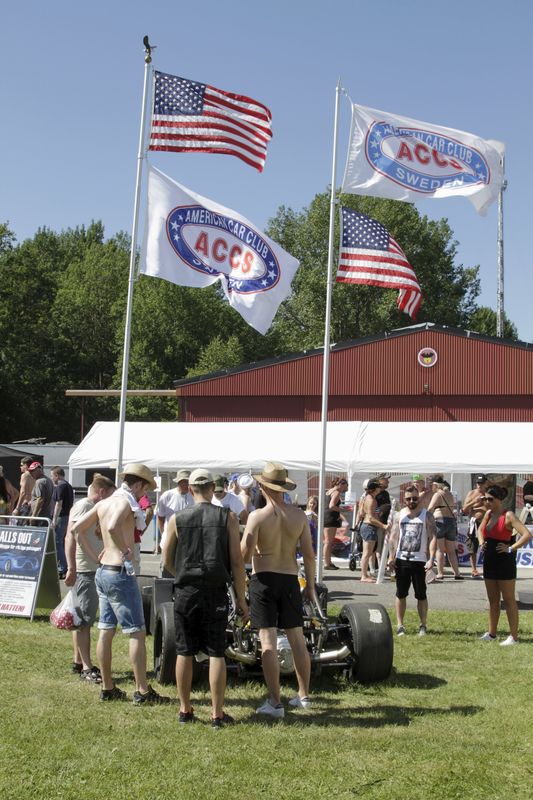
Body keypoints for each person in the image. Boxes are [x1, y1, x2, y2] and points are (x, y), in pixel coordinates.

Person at [71, 462, 170, 704]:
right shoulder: (124, 501)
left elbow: (76, 529)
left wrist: (97, 555)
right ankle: (142, 691)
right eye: (144, 489)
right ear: (137, 484)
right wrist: (125, 550)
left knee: (106, 629)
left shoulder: (104, 502)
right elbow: (114, 525)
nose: (144, 494)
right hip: (119, 572)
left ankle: (107, 687)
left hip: (104, 571)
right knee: (136, 632)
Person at [162, 468, 248, 728]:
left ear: (190, 489)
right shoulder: (228, 517)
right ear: (212, 489)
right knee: (216, 652)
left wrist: (182, 574)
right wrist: (242, 599)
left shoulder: (177, 518)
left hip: (186, 590)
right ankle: (217, 713)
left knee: (184, 650)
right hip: (215, 590)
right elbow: (237, 562)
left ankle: (185, 709)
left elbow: (167, 559)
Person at [241, 462, 317, 719]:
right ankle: (303, 695)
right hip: (290, 579)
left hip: (264, 579)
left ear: (262, 486)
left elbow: (244, 554)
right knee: (297, 638)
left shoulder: (257, 516)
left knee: (267, 641)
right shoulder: (299, 516)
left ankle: (275, 701)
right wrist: (312, 587)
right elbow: (308, 555)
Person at [64, 473, 116, 681]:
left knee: (82, 618)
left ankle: (78, 660)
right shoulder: (85, 506)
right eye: (109, 496)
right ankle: (87, 667)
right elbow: (72, 535)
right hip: (87, 570)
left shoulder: (86, 506)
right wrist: (73, 567)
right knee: (84, 621)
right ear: (101, 492)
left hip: (88, 569)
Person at [477, 485, 532, 645]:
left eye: (490, 499)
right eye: (485, 499)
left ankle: (513, 637)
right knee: (493, 599)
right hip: (489, 560)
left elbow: (527, 535)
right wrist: (481, 542)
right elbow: (480, 530)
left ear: (499, 500)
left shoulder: (508, 516)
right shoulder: (488, 514)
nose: (486, 502)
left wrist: (510, 548)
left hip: (504, 562)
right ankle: (492, 633)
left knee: (509, 600)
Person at [387, 485, 437, 636]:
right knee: (400, 593)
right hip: (402, 559)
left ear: (419, 498)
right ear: (404, 499)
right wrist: (391, 557)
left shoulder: (426, 515)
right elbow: (394, 537)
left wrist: (431, 559)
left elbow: (433, 537)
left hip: (420, 560)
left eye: (415, 498)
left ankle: (423, 625)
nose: (412, 501)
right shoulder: (399, 515)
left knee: (421, 594)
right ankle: (400, 625)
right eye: (408, 499)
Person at [427, 476, 463, 581]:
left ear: (436, 485)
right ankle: (457, 573)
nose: (431, 487)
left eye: (432, 485)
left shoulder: (437, 495)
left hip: (440, 521)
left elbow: (430, 508)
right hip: (451, 521)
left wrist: (428, 521)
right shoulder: (449, 494)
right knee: (451, 550)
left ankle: (440, 573)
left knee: (440, 549)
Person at [156, 469, 193, 553]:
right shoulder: (167, 495)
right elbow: (160, 516)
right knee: (166, 564)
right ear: (178, 482)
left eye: (186, 481)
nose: (184, 484)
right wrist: (164, 533)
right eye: (182, 481)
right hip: (169, 538)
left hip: (189, 540)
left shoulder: (194, 495)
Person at [360, 479, 389, 583]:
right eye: (378, 487)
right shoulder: (371, 500)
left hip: (367, 526)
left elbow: (362, 513)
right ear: (374, 489)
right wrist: (383, 525)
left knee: (368, 553)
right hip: (369, 527)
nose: (380, 488)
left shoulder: (368, 498)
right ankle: (363, 576)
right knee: (367, 553)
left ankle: (365, 574)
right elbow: (371, 518)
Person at [461, 474, 489, 579]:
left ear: (486, 483)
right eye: (478, 483)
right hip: (474, 523)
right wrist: (475, 502)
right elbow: (464, 509)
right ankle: (474, 569)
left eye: (482, 483)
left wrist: (485, 503)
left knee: (487, 546)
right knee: (472, 546)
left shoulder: (488, 494)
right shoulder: (472, 493)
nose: (479, 486)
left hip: (486, 523)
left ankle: (487, 568)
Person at [51, 467, 74, 580]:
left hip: (61, 516)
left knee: (58, 542)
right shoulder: (68, 485)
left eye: (52, 476)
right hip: (67, 516)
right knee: (63, 542)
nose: (52, 478)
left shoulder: (60, 485)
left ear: (57, 475)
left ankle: (62, 568)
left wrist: (54, 519)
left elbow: (58, 504)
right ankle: (65, 566)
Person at [323, 477, 348, 570]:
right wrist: (342, 509)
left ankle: (328, 562)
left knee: (328, 541)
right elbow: (332, 505)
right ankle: (327, 563)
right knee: (328, 542)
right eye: (345, 486)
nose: (345, 489)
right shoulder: (336, 492)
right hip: (330, 518)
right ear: (341, 484)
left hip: (326, 517)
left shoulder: (329, 491)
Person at [29, 462, 54, 526]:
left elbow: (40, 499)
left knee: (36, 535)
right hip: (46, 515)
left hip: (40, 516)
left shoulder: (39, 481)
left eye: (32, 471)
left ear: (39, 470)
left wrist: (34, 516)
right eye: (30, 471)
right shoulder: (48, 480)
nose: (30, 473)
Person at [13, 456, 35, 522]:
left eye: (21, 465)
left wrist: (17, 508)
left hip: (26, 505)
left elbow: (23, 492)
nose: (20, 467)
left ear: (25, 465)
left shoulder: (25, 475)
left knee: (21, 526)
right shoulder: (34, 475)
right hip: (33, 504)